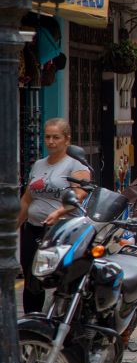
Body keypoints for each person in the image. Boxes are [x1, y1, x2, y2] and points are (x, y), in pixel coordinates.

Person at [18, 118, 91, 313]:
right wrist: (13, 225)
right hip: (34, 230)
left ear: (67, 139)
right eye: (47, 137)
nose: (50, 141)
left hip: (62, 231)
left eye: (56, 137)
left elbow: (80, 194)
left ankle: (63, 321)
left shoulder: (76, 166)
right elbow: (27, 199)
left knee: (62, 278)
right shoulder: (38, 165)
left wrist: (59, 212)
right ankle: (31, 323)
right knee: (32, 280)